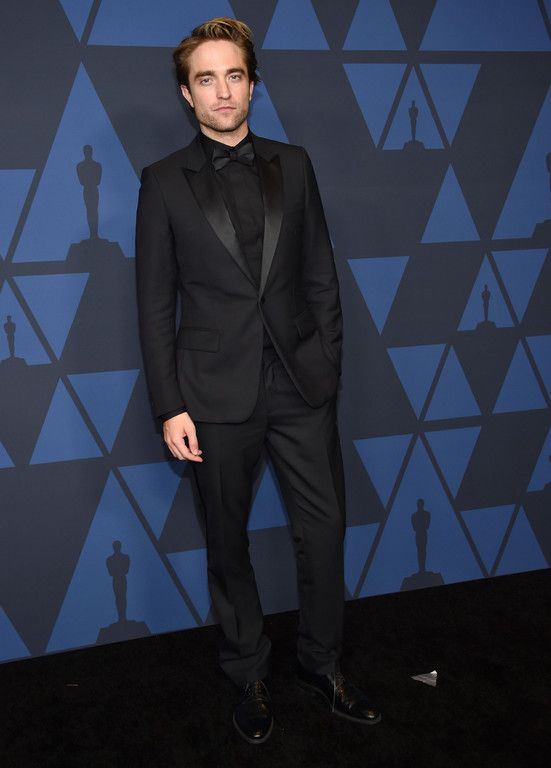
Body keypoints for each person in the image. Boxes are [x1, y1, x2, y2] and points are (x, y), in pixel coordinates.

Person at [135, 17, 381, 744]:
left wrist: (326, 364)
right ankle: (248, 673)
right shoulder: (162, 182)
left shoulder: (294, 165)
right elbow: (154, 304)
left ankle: (322, 665)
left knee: (324, 532)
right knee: (227, 542)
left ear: (252, 85)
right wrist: (169, 405)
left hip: (301, 386)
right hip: (213, 396)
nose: (222, 91)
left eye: (234, 75)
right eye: (205, 78)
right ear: (187, 94)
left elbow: (320, 275)